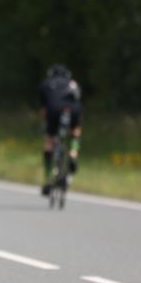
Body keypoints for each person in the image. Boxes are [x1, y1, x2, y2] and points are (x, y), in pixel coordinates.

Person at [38, 64, 82, 195]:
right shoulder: (73, 83)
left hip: (54, 108)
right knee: (75, 131)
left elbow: (43, 110)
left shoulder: (46, 84)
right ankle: (73, 153)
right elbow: (78, 98)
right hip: (73, 109)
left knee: (49, 141)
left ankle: (47, 178)